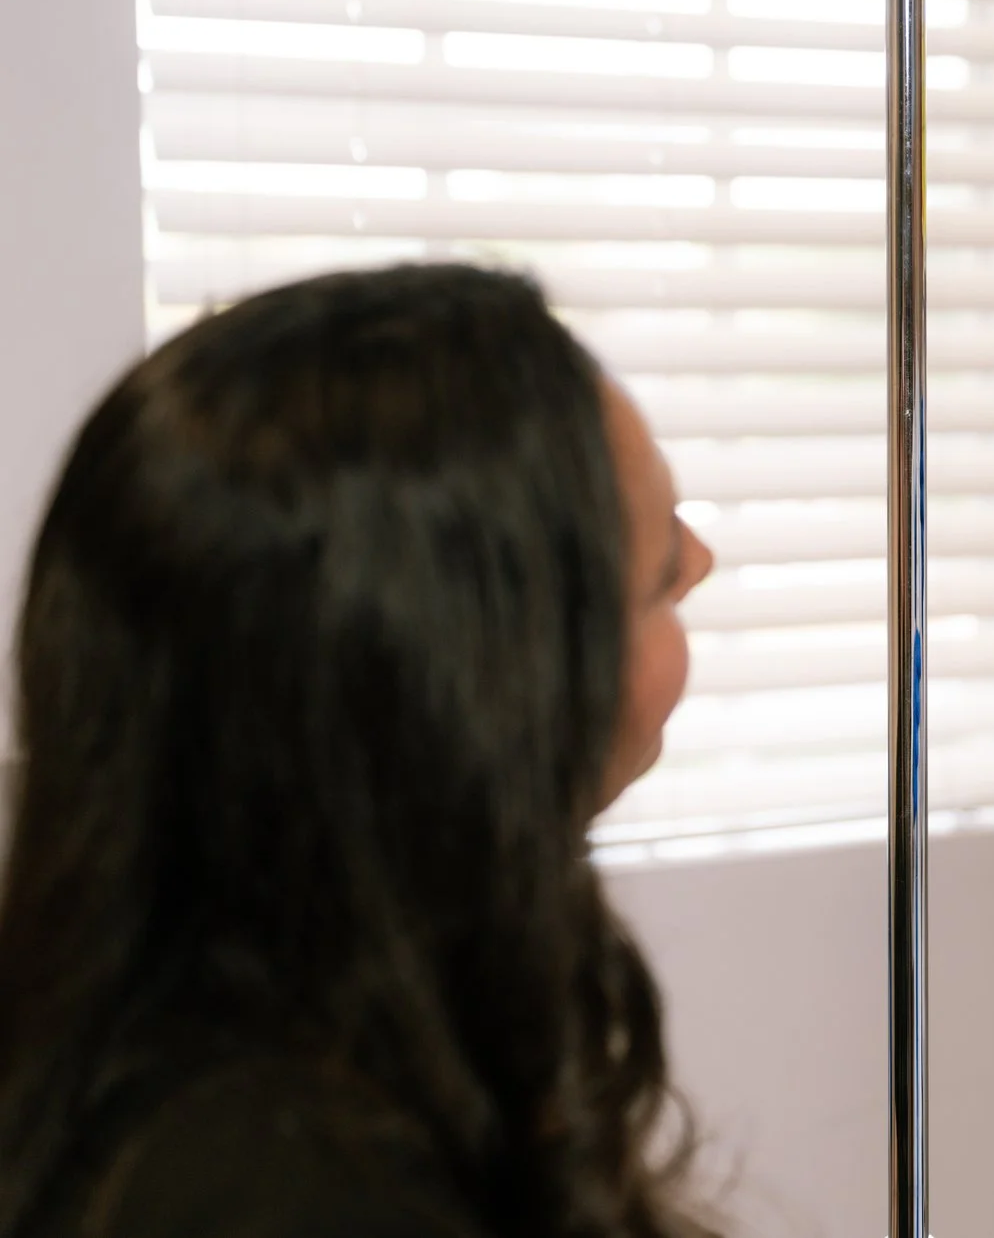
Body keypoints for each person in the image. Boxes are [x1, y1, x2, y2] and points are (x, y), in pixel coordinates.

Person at [0, 264, 717, 1238]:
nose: (702, 565)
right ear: (478, 682)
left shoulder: (159, 1043)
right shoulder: (290, 1193)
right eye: (660, 572)